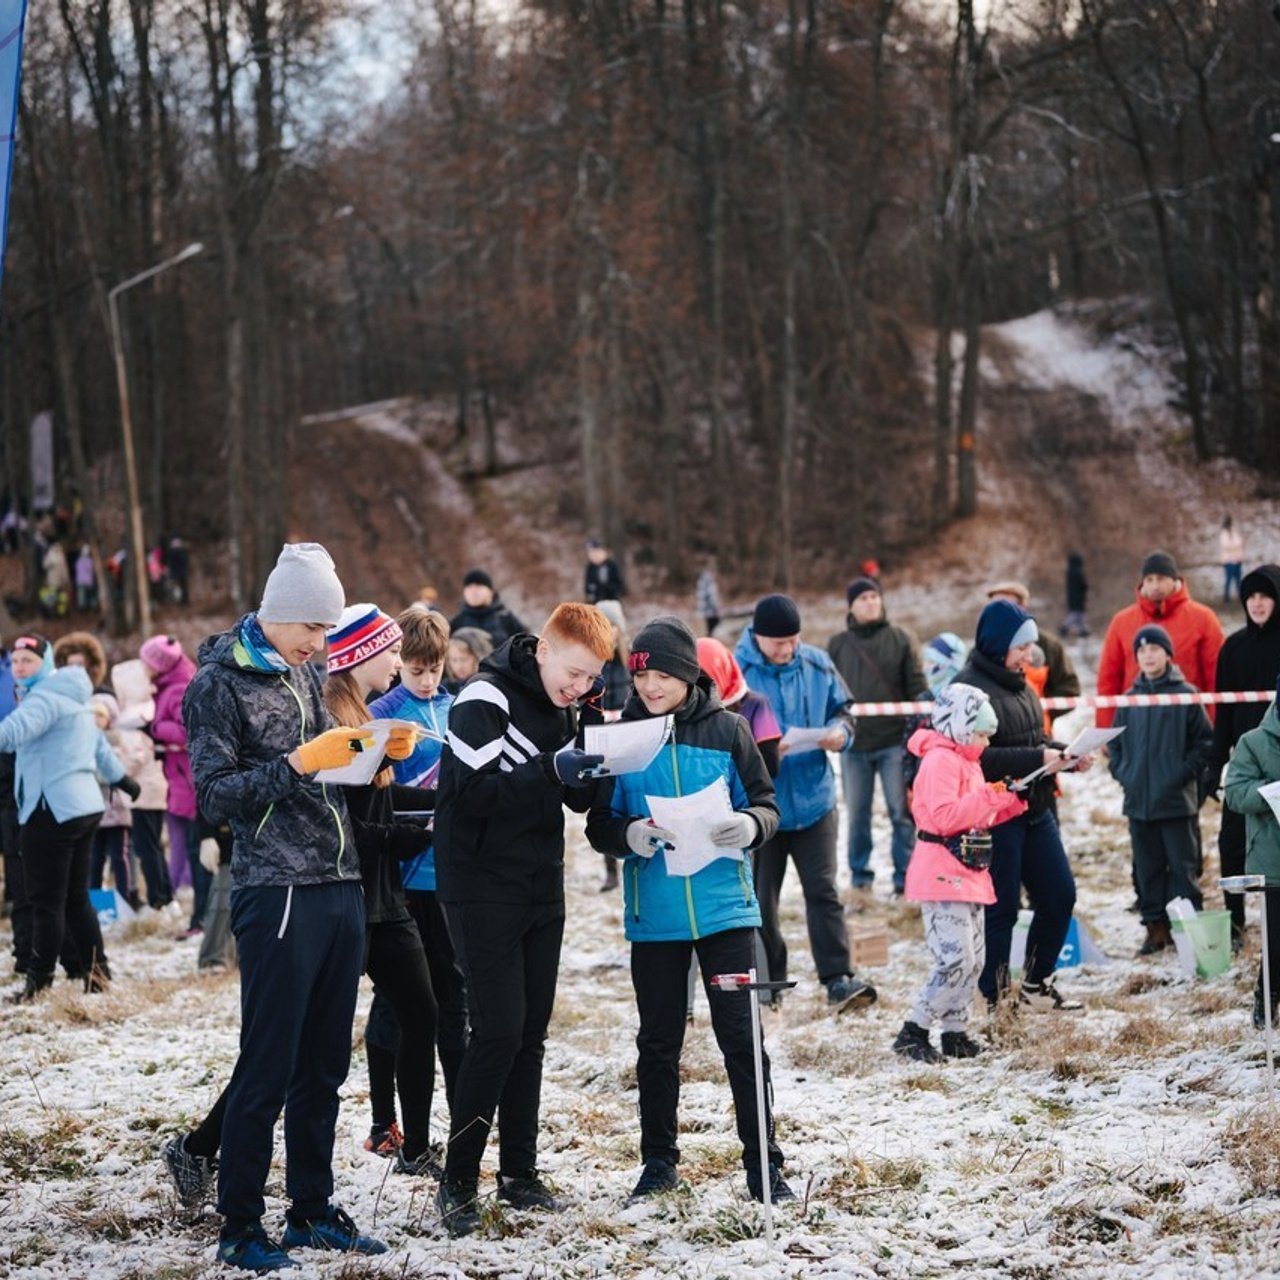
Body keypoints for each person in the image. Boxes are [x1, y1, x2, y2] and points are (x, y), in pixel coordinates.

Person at [182, 542, 390, 1270]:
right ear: (278, 613)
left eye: (327, 630)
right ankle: (240, 1225)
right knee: (266, 1066)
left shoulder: (308, 670)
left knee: (324, 1067)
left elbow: (324, 771)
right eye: (313, 627)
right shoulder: (216, 685)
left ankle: (311, 1211)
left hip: (339, 881)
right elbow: (215, 797)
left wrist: (370, 754)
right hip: (275, 891)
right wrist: (300, 763)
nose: (322, 643)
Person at [585, 616, 791, 1203]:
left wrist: (749, 825)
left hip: (726, 911)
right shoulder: (622, 739)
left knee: (741, 1040)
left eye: (662, 677)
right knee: (658, 1044)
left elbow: (767, 804)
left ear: (687, 676)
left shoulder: (729, 730)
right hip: (656, 917)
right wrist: (629, 835)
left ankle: (764, 1164)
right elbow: (599, 824)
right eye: (640, 676)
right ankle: (658, 1163)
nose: (649, 687)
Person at [432, 602, 612, 1237]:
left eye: (591, 678)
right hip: (479, 884)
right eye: (574, 673)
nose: (580, 686)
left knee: (530, 1035)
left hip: (540, 884)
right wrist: (549, 767)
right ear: (543, 649)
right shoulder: (483, 698)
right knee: (498, 1032)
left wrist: (594, 742)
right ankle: (457, 1181)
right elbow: (473, 798)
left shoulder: (566, 705)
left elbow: (576, 798)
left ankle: (519, 1173)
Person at [323, 604, 446, 1176]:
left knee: (422, 1014)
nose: (399, 663)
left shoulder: (361, 714)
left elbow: (380, 801)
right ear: (362, 656)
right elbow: (348, 829)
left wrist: (443, 804)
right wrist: (417, 833)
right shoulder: (335, 718)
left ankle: (414, 1147)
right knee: (306, 1041)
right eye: (393, 652)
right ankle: (206, 1143)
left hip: (386, 901)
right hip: (347, 901)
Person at [734, 594, 875, 1012]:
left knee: (824, 892)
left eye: (794, 640)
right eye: (779, 642)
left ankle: (838, 978)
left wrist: (839, 733)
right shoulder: (738, 672)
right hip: (761, 809)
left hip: (816, 801)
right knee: (761, 902)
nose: (788, 649)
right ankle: (769, 984)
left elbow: (846, 711)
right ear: (758, 637)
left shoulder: (817, 663)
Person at [367, 603, 468, 1154]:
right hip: (401, 880)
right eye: (416, 670)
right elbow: (375, 797)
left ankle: (462, 1124)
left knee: (453, 1002)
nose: (428, 680)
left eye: (436, 669)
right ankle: (385, 1121)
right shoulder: (382, 711)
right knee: (397, 1005)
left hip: (448, 877)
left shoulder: (456, 708)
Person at [955, 599, 1090, 1011]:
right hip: (994, 816)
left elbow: (1035, 740)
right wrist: (1038, 758)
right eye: (1021, 647)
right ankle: (995, 999)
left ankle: (1036, 985)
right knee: (1003, 910)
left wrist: (1066, 755)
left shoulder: (1024, 685)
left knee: (1059, 896)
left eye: (1030, 646)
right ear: (998, 645)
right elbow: (975, 758)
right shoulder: (968, 690)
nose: (1028, 655)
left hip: (1036, 809)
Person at [892, 683, 1026, 1062]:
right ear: (961, 727)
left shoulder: (968, 761)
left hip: (968, 870)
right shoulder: (939, 761)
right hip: (941, 873)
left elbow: (976, 814)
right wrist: (988, 797)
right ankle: (914, 1029)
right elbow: (945, 817)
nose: (986, 742)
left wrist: (1009, 801)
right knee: (955, 960)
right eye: (981, 734)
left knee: (975, 960)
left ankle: (955, 1032)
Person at [0, 634, 138, 1001]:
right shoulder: (74, 695)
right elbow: (98, 746)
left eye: (28, 661)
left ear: (45, 663)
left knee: (46, 901)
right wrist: (123, 780)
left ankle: (38, 984)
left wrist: (122, 780)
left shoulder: (44, 699)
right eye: (15, 661)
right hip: (84, 807)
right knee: (76, 899)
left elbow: (10, 735)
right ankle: (96, 975)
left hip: (52, 811)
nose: (19, 668)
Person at [1107, 625, 1213, 956]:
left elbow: (1205, 744)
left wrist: (1180, 775)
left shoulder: (1186, 694)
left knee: (1183, 869)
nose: (1148, 655)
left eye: (1154, 648)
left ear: (1168, 654)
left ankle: (1188, 931)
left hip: (1177, 802)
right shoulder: (1129, 699)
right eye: (1141, 650)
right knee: (1146, 870)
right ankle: (1155, 929)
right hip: (1139, 803)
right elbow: (1114, 745)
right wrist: (1125, 774)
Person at [827, 576, 927, 898]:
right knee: (858, 815)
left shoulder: (902, 639)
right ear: (851, 606)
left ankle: (905, 879)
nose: (870, 602)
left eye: (874, 596)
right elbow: (829, 693)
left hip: (894, 743)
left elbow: (918, 690)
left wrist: (921, 732)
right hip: (854, 745)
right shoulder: (838, 645)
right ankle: (860, 879)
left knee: (901, 814)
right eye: (863, 598)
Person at [1205, 565, 1280, 951]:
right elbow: (1224, 713)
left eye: (1265, 595)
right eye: (1250, 596)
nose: (1257, 603)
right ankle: (1235, 924)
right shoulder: (1233, 647)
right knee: (1231, 843)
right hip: (1246, 765)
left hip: (1278, 759)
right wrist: (1214, 763)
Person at [1096, 551, 1224, 730]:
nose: (1155, 586)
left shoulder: (1203, 618)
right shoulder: (1121, 622)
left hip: (1186, 722)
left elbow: (1216, 678)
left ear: (1174, 580)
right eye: (1149, 580)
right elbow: (1108, 681)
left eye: (1161, 578)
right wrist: (1105, 730)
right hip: (1135, 723)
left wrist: (1215, 728)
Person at [142, 635, 207, 939]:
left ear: (160, 664)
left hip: (186, 777)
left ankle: (195, 906)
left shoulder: (179, 687)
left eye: (147, 662)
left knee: (193, 844)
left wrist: (154, 728)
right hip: (176, 776)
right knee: (180, 840)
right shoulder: (166, 685)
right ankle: (182, 893)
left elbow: (185, 731)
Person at [1224, 675, 1280, 1030]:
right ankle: (1267, 995)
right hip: (1271, 856)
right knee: (1277, 940)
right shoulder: (1254, 742)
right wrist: (1272, 791)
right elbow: (1235, 792)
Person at [111, 659, 174, 912]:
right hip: (155, 789)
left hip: (141, 793)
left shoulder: (132, 718)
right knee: (155, 846)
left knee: (146, 849)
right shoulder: (150, 710)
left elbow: (136, 756)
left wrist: (116, 770)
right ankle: (166, 895)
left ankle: (158, 899)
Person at [984, 582, 1080, 732]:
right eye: (993, 606)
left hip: (1039, 734)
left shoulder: (1048, 646)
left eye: (1004, 606)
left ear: (1022, 608)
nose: (996, 612)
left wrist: (1038, 711)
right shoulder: (982, 647)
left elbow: (1070, 689)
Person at [697, 637, 782, 778]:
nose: (699, 688)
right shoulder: (687, 710)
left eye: (704, 678)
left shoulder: (755, 705)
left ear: (722, 671)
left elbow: (770, 766)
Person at [448, 569, 526, 648]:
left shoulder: (506, 618)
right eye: (469, 587)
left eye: (478, 586)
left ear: (490, 591)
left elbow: (525, 646)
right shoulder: (456, 623)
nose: (473, 591)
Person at [443, 626, 493, 695]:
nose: (458, 666)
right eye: (454, 660)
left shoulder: (488, 686)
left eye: (463, 659)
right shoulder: (445, 688)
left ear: (478, 658)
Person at [583, 539, 625, 605]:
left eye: (596, 553)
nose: (594, 556)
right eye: (591, 554)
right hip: (596, 602)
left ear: (604, 552)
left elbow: (619, 585)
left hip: (612, 601)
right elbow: (588, 586)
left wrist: (605, 588)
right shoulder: (590, 567)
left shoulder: (612, 565)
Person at [1061, 552, 1089, 638]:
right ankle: (1064, 627)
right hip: (1078, 597)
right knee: (1076, 613)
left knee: (1079, 614)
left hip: (1072, 597)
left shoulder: (1070, 571)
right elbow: (1083, 585)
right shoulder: (1078, 572)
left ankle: (1083, 630)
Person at [1220, 517, 1245, 604]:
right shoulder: (1224, 534)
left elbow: (1240, 543)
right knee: (1229, 579)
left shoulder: (1235, 533)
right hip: (1229, 561)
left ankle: (1240, 595)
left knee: (1238, 580)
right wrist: (1234, 545)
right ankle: (1226, 597)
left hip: (1237, 560)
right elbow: (1226, 546)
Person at [696, 559, 722, 637]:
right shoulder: (710, 583)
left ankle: (708, 638)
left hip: (704, 610)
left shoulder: (701, 581)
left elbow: (699, 596)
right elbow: (712, 597)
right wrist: (717, 609)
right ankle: (709, 638)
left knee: (708, 628)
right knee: (714, 626)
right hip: (711, 611)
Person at [74, 545, 97, 613]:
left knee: (82, 596)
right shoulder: (89, 561)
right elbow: (91, 569)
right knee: (91, 595)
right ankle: (94, 607)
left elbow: (77, 570)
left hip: (80, 581)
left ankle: (82, 608)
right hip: (88, 581)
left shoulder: (78, 561)